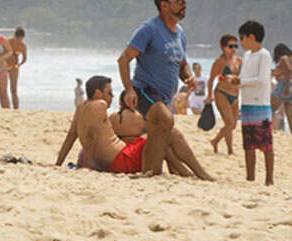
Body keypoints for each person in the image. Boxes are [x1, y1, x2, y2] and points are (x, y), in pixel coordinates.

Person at [54, 75, 213, 179]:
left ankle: (186, 172)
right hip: (122, 160)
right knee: (167, 133)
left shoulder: (81, 107)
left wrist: (58, 165)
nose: (112, 97)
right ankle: (200, 173)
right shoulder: (99, 105)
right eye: (109, 93)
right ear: (97, 93)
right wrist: (88, 166)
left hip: (116, 160)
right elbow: (92, 137)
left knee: (159, 137)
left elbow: (70, 138)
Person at [119, 0, 193, 131]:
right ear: (164, 5)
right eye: (179, 1)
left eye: (184, 1)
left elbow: (182, 64)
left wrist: (188, 78)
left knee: (152, 138)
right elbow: (123, 59)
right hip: (144, 92)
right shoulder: (149, 30)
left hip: (164, 99)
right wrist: (129, 90)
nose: (184, 4)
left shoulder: (180, 33)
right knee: (165, 124)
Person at [225, 19, 273, 185]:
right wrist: (236, 80)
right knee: (249, 144)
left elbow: (261, 79)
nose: (241, 42)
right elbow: (245, 78)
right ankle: (250, 177)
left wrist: (240, 81)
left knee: (266, 144)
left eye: (242, 38)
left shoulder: (264, 55)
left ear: (251, 37)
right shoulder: (247, 55)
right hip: (247, 102)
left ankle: (269, 179)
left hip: (261, 104)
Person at [207, 34, 241, 155]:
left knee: (233, 125)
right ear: (223, 47)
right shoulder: (219, 62)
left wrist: (235, 78)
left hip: (235, 95)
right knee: (229, 123)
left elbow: (244, 76)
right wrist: (209, 96)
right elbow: (211, 79)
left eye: (235, 46)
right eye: (230, 46)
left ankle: (215, 141)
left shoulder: (239, 60)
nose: (234, 49)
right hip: (221, 94)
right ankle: (230, 150)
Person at [270, 43, 292, 134]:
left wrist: (287, 87)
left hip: (285, 84)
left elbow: (288, 71)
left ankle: (269, 130)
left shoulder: (283, 58)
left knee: (271, 108)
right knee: (290, 115)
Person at [7, 27, 28, 109]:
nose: (19, 40)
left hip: (14, 66)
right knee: (3, 88)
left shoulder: (22, 46)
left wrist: (19, 64)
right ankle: (6, 107)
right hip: (5, 65)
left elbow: (24, 58)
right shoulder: (8, 42)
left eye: (20, 39)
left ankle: (16, 108)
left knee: (13, 89)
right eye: (17, 38)